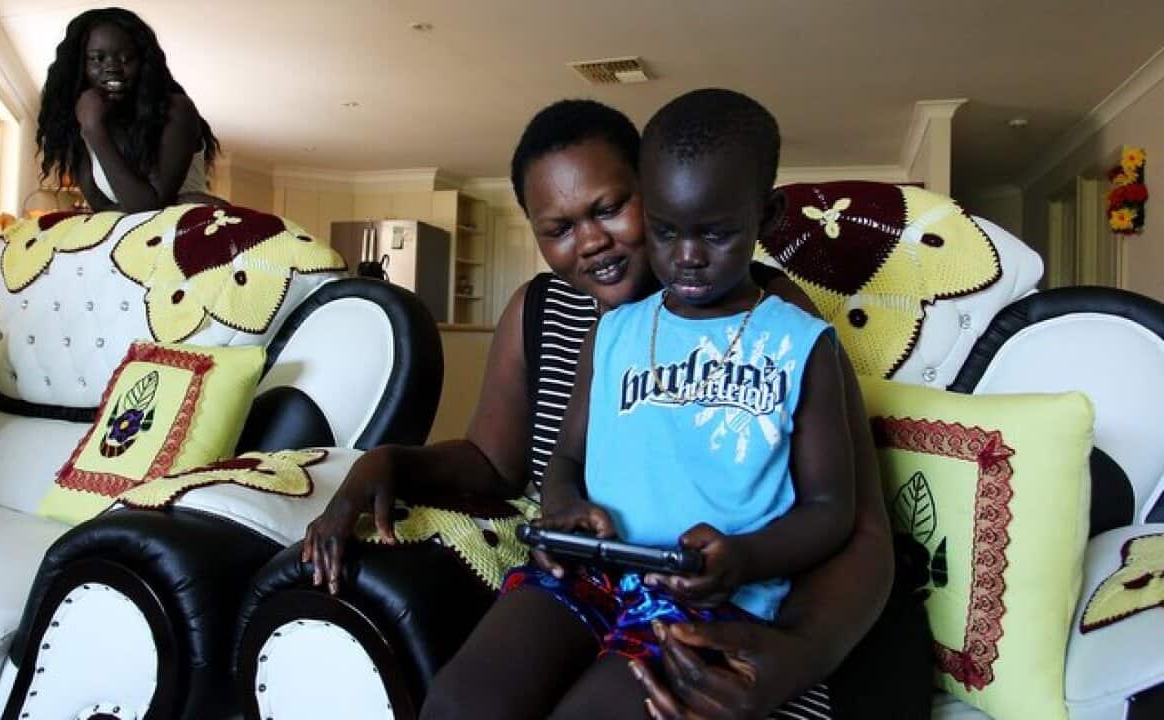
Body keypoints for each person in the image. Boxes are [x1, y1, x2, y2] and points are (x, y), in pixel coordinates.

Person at [304, 98, 896, 718]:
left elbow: (851, 520)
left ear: (652, 187)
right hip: (589, 574)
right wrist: (388, 462)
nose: (590, 242)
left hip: (707, 593)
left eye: (609, 209)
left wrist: (793, 653)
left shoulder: (778, 324)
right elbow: (498, 459)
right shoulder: (563, 315)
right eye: (557, 229)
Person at [36, 7, 223, 213]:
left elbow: (148, 208)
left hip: (186, 232)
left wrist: (95, 131)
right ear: (81, 66)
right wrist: (92, 127)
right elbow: (102, 209)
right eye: (97, 58)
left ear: (143, 63)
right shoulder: (84, 121)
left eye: (126, 58)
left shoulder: (176, 110)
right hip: (135, 239)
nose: (112, 67)